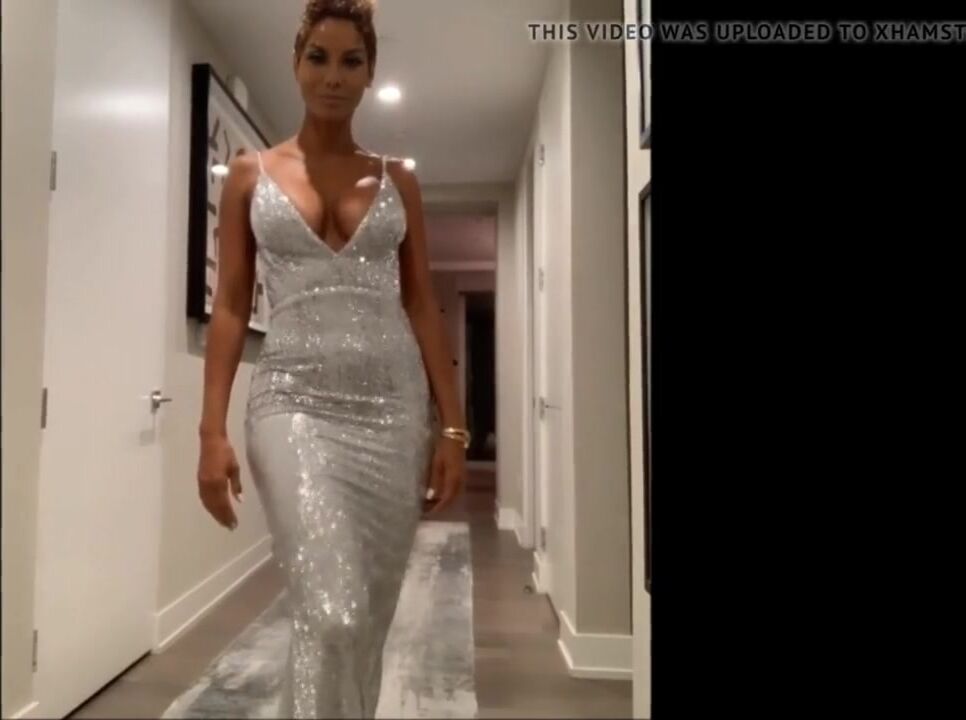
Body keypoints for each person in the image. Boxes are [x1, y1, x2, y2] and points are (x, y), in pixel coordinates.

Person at [195, 0, 468, 716]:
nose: (334, 77)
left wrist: (452, 427)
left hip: (393, 412)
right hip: (290, 403)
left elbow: (421, 306)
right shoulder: (251, 173)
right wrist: (211, 430)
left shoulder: (397, 178)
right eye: (319, 58)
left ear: (370, 73)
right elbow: (230, 306)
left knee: (362, 625)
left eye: (352, 62)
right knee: (332, 609)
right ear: (296, 63)